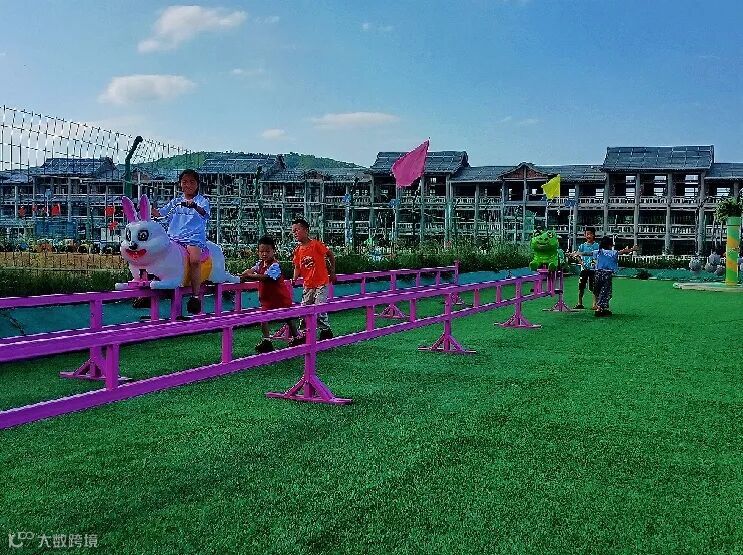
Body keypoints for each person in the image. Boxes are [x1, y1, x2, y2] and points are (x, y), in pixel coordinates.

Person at [152, 169, 210, 314]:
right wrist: (149, 209)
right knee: (156, 255)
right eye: (184, 182)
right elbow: (160, 214)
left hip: (193, 238)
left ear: (197, 184)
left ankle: (195, 296)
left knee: (195, 260)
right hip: (174, 238)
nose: (188, 185)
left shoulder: (202, 201)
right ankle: (151, 289)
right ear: (180, 184)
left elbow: (204, 213)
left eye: (192, 182)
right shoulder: (175, 202)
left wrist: (194, 206)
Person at [240, 235, 299, 353]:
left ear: (273, 251)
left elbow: (267, 277)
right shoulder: (260, 264)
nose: (264, 254)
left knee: (289, 318)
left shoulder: (275, 265)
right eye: (261, 251)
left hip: (281, 299)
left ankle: (297, 337)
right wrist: (244, 274)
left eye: (267, 251)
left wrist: (249, 276)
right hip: (267, 300)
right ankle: (267, 340)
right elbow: (250, 270)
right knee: (263, 318)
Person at [291, 217, 336, 341]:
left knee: (319, 309)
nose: (294, 233)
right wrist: (294, 279)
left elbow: (330, 255)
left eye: (297, 230)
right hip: (308, 284)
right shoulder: (297, 250)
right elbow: (297, 267)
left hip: (321, 283)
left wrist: (332, 271)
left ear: (306, 230)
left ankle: (325, 331)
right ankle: (303, 333)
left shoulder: (316, 244)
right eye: (293, 231)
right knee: (304, 309)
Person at [573, 236, 638, 317]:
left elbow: (588, 253)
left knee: (598, 290)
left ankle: (601, 307)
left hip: (597, 273)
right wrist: (632, 249)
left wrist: (578, 253)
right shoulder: (612, 252)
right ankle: (600, 309)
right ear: (610, 245)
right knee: (606, 291)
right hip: (607, 274)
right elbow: (623, 251)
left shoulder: (599, 251)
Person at [574, 227, 599, 310]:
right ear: (585, 235)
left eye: (590, 234)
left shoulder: (597, 246)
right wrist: (581, 263)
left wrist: (595, 263)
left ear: (594, 235)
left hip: (593, 270)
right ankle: (579, 303)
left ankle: (594, 304)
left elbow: (599, 256)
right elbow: (577, 255)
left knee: (594, 287)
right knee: (581, 286)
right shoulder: (582, 246)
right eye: (587, 234)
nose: (588, 236)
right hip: (584, 270)